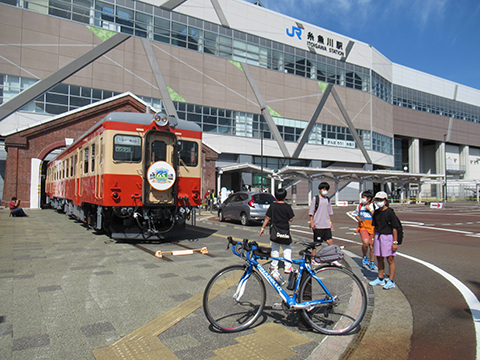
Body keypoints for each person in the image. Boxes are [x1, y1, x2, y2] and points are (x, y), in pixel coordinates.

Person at [260, 188, 295, 274]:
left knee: (275, 249)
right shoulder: (287, 206)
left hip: (274, 230)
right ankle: (288, 267)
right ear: (285, 196)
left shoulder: (273, 206)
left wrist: (262, 228)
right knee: (287, 249)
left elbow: (267, 218)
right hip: (284, 230)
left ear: (276, 196)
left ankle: (274, 266)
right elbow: (291, 219)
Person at [369, 191, 399, 290]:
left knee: (390, 259)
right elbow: (374, 227)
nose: (378, 202)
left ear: (385, 201)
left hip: (388, 237)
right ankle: (380, 278)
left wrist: (395, 242)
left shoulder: (390, 212)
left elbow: (395, 227)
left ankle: (391, 280)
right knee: (379, 258)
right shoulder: (376, 213)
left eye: (380, 200)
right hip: (378, 236)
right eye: (377, 200)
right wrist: (373, 239)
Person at [309, 182, 334, 264]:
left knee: (330, 242)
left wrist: (330, 222)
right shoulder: (316, 199)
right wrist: (312, 222)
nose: (325, 191)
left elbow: (329, 212)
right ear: (319, 190)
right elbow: (311, 212)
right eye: (323, 189)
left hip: (326, 224)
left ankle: (333, 258)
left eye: (326, 189)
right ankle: (313, 259)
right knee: (316, 243)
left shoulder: (328, 199)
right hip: (318, 225)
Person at [354, 190, 376, 270]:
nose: (362, 199)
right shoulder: (360, 206)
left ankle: (372, 261)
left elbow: (377, 216)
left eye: (364, 198)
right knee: (365, 243)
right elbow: (357, 215)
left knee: (372, 246)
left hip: (373, 228)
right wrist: (358, 219)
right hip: (363, 227)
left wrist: (370, 210)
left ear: (369, 199)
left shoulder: (374, 205)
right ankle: (364, 255)